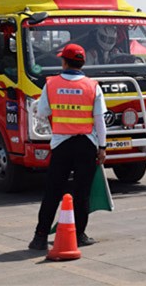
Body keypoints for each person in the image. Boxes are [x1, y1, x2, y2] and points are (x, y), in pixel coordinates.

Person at [29, 43, 107, 250]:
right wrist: (103, 147)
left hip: (61, 144)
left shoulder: (51, 84)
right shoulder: (93, 86)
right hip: (86, 144)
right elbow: (100, 121)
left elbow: (41, 112)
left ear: (64, 61)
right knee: (82, 193)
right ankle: (79, 235)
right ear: (83, 63)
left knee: (53, 191)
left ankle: (40, 236)